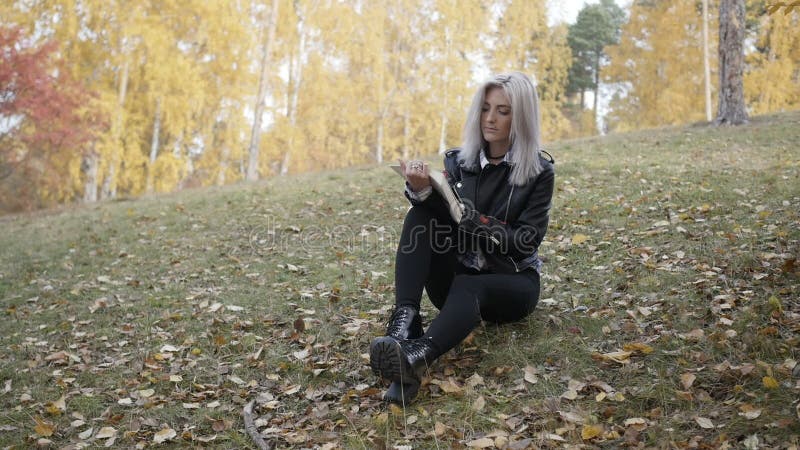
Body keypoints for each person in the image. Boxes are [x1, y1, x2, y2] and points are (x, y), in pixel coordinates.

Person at [369, 71, 555, 405]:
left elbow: (526, 241)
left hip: (511, 285)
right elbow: (445, 218)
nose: (490, 118)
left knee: (471, 285)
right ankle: (404, 323)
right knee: (420, 216)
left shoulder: (539, 172)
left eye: (503, 110)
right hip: (456, 283)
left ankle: (416, 356)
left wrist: (476, 221)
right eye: (485, 108)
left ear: (522, 116)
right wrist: (422, 190)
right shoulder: (460, 161)